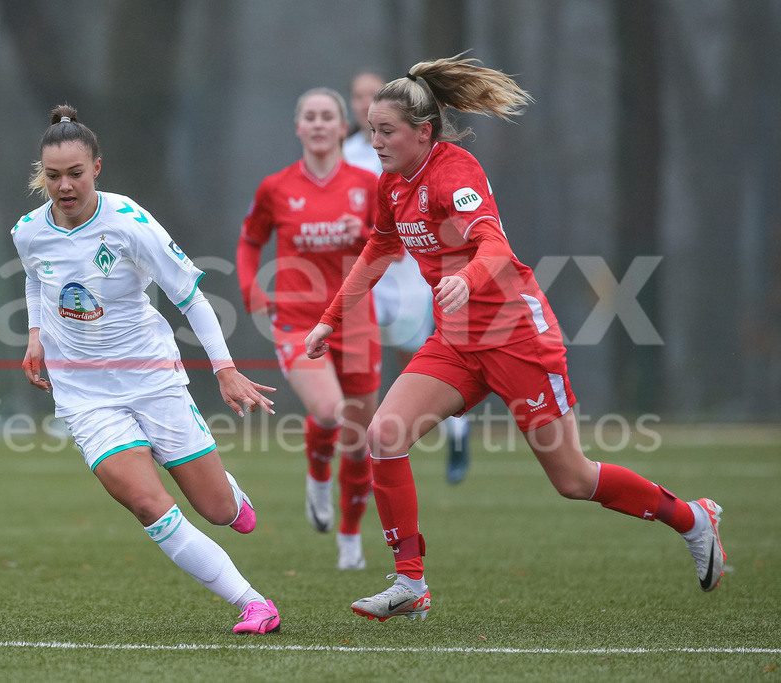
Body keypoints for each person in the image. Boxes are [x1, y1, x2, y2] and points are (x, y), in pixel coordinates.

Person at [305, 56, 726, 622]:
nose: (374, 141)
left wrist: (464, 278)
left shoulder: (455, 173)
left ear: (421, 132)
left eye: (386, 131)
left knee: (573, 479)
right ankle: (410, 581)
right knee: (385, 433)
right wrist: (332, 318)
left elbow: (494, 247)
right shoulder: (392, 184)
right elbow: (379, 250)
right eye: (373, 130)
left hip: (515, 336)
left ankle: (693, 518)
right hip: (457, 340)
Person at [13, 105, 280, 635]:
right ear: (42, 175)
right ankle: (254, 603)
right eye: (53, 176)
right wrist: (36, 336)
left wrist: (225, 370)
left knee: (217, 510)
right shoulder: (27, 231)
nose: (64, 187)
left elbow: (193, 300)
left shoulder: (130, 223)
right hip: (83, 395)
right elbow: (34, 280)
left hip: (153, 380)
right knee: (145, 502)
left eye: (75, 174)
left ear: (97, 168)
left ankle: (228, 494)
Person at [237, 88, 381, 570]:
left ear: (344, 128)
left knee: (361, 440)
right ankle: (318, 474)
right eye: (310, 117)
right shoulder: (276, 187)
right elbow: (250, 240)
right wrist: (250, 286)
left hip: (357, 320)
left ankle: (350, 539)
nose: (319, 125)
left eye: (328, 117)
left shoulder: (369, 184)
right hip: (297, 318)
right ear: (298, 127)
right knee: (329, 410)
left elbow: (392, 243)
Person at [344, 69, 471, 484]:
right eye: (358, 96)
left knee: (416, 355)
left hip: (408, 274)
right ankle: (373, 441)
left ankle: (457, 433)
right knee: (363, 353)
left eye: (371, 94)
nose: (364, 102)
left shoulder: (419, 157)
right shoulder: (348, 153)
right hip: (373, 272)